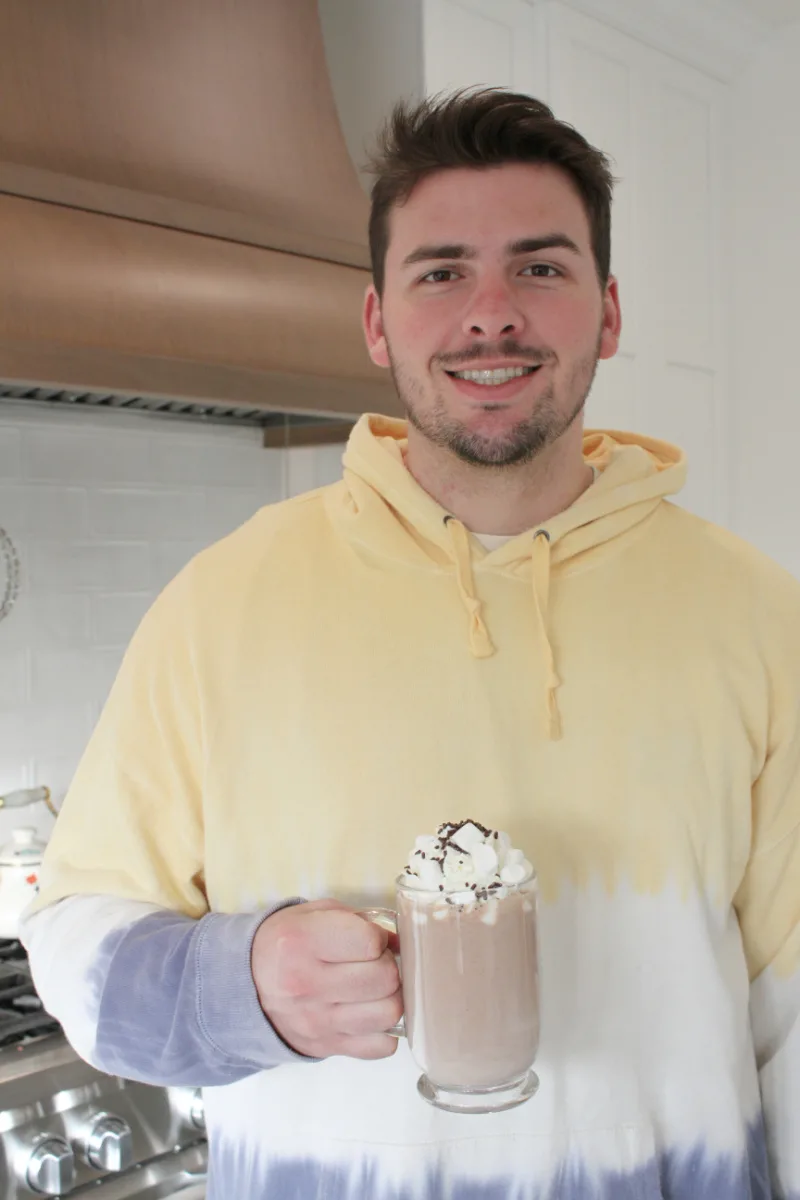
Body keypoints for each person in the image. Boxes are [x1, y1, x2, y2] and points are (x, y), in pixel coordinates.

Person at [21, 88, 800, 1200]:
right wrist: (237, 984)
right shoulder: (221, 604)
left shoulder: (758, 617)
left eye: (539, 267)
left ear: (608, 312)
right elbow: (74, 937)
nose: (491, 314)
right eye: (440, 272)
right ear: (378, 320)